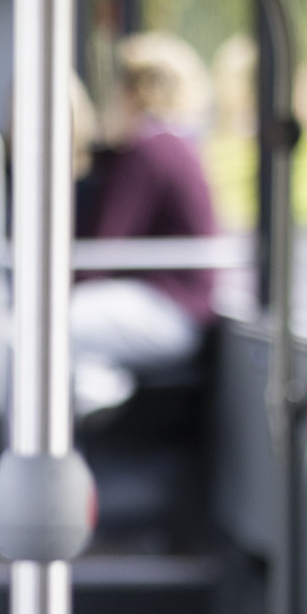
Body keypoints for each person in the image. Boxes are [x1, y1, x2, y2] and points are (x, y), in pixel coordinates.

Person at [73, 31, 220, 414]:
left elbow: (105, 246)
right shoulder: (179, 143)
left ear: (134, 90)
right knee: (74, 353)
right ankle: (96, 383)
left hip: (167, 307)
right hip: (186, 307)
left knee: (29, 331)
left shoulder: (148, 149)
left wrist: (59, 294)